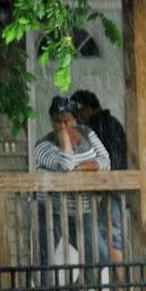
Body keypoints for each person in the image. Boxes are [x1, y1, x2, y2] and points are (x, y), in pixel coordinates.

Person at [32, 96, 112, 270]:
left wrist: (83, 167)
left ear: (75, 119)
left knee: (101, 256)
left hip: (82, 209)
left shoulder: (87, 134)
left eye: (66, 121)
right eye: (57, 121)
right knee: (45, 262)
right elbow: (67, 166)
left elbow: (106, 161)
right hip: (51, 210)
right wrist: (65, 140)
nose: (62, 126)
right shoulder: (43, 145)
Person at [71, 90, 127, 265]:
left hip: (107, 190)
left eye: (77, 112)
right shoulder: (113, 123)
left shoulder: (96, 126)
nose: (76, 118)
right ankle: (115, 284)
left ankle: (116, 284)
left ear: (86, 108)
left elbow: (103, 159)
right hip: (116, 188)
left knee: (107, 235)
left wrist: (100, 187)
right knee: (109, 235)